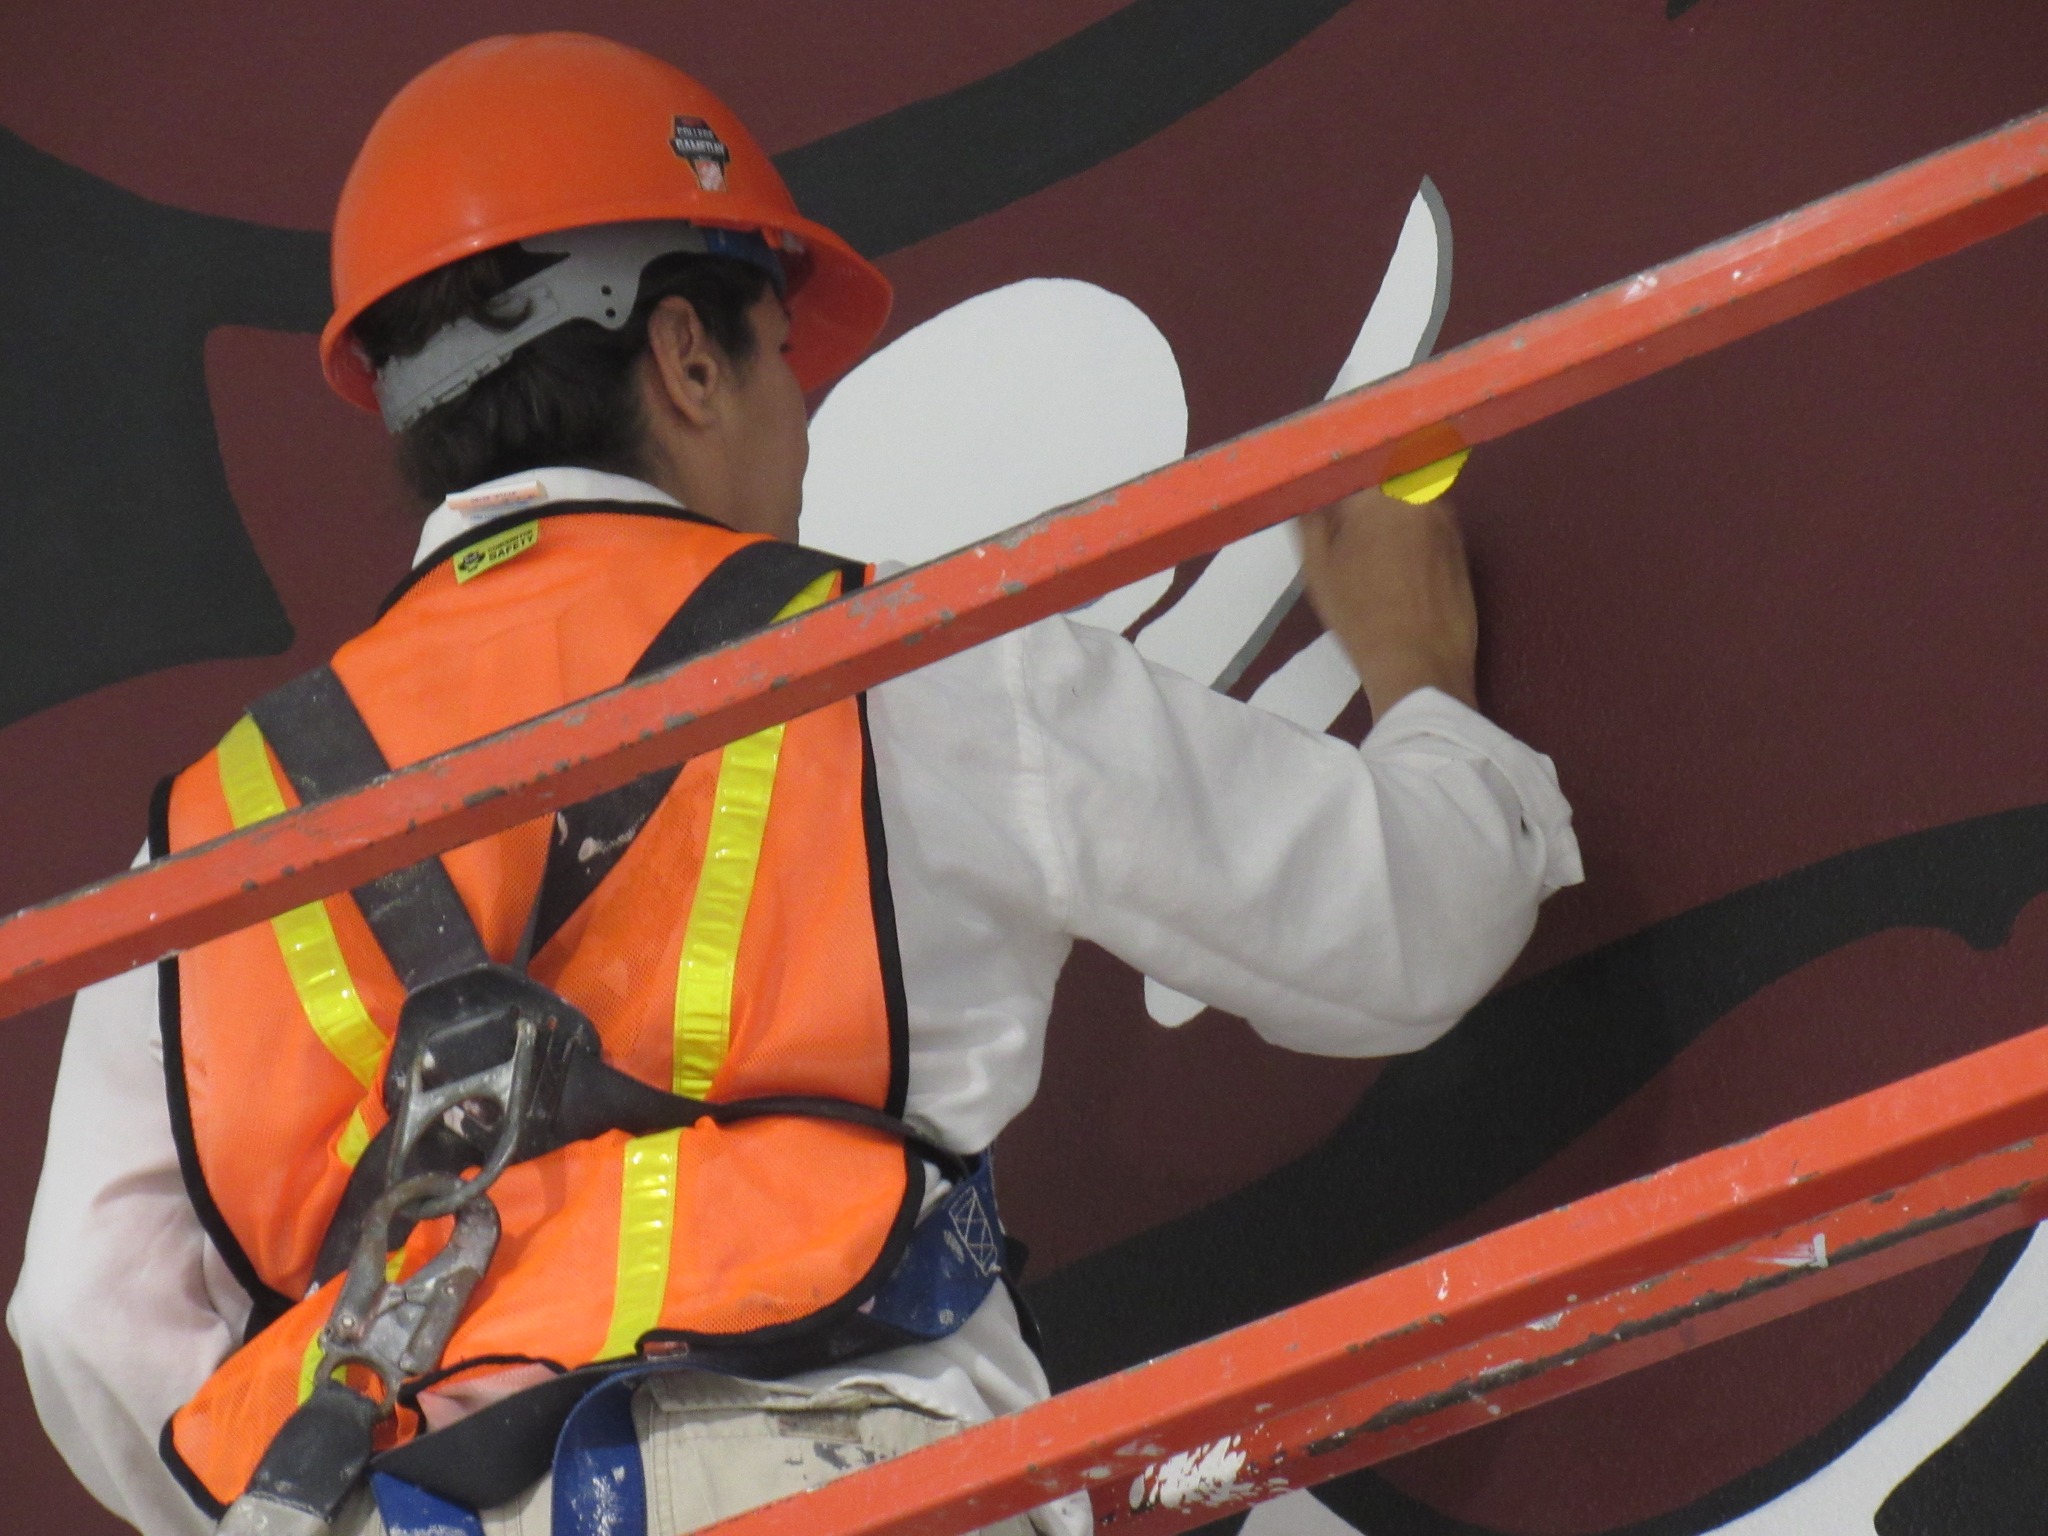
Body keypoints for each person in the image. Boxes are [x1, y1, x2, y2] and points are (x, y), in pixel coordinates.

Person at [8, 31, 1582, 1536]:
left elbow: (84, 1309)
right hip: (824, 1483)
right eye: (780, 359)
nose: (804, 420)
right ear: (687, 358)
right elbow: (1403, 926)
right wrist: (1425, 690)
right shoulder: (892, 659)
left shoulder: (216, 823)